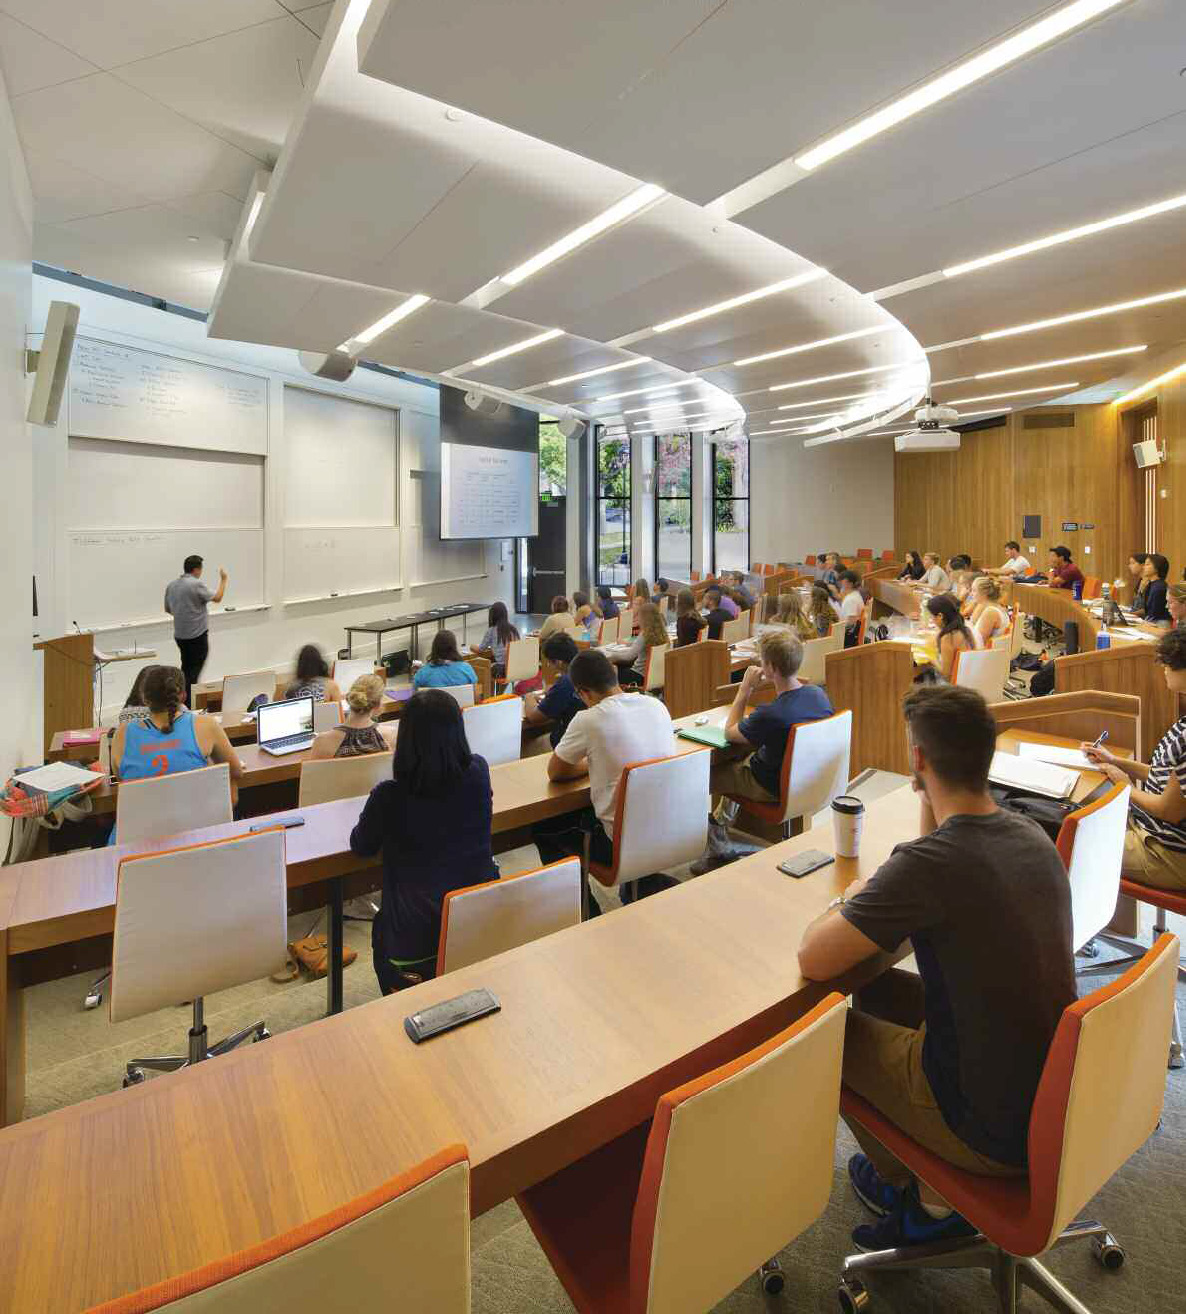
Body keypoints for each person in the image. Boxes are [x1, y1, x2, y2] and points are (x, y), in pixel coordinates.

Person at [798, 684, 1074, 1252]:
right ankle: (909, 1160)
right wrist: (929, 802)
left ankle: (923, 1201)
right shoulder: (1030, 835)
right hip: (1049, 1093)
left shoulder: (932, 867)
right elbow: (936, 853)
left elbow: (814, 956)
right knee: (873, 987)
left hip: (986, 1127)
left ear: (917, 760)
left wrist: (845, 901)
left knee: (821, 1037)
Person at [350, 689, 497, 992]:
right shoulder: (479, 771)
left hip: (416, 941)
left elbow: (361, 845)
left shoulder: (389, 795)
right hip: (478, 920)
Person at [532, 650, 675, 909]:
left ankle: (587, 912)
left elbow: (556, 772)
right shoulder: (656, 705)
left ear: (583, 692)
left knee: (544, 826)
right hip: (669, 829)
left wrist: (592, 763)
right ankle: (640, 884)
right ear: (615, 675)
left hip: (621, 844)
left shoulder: (590, 719)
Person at [699, 630, 834, 867]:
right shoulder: (818, 694)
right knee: (740, 757)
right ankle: (721, 824)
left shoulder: (770, 714)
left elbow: (729, 731)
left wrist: (744, 689)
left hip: (770, 786)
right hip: (809, 780)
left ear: (770, 668)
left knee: (703, 774)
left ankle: (714, 845)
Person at [1083, 627, 1186, 893]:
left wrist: (1124, 786)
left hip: (1168, 854)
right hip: (1154, 833)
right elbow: (1168, 776)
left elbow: (1170, 810)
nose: (1164, 668)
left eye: (1170, 664)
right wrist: (1116, 761)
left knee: (1068, 838)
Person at [109, 665, 243, 843]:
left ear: (144, 698)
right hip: (195, 838)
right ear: (183, 696)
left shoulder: (123, 734)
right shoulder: (206, 725)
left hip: (134, 844)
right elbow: (236, 771)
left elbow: (122, 778)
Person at [163, 554, 227, 704]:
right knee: (193, 674)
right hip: (196, 636)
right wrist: (224, 580)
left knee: (185, 669)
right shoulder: (195, 584)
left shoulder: (172, 585)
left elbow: (168, 609)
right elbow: (217, 598)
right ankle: (187, 706)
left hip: (180, 636)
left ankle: (178, 701)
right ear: (197, 569)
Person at [309, 674, 392, 760]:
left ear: (349, 698)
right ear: (378, 706)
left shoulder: (323, 742)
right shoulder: (390, 737)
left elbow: (312, 773)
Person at [523, 633, 585, 748]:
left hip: (567, 744)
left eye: (550, 662)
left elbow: (534, 717)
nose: (548, 665)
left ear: (559, 662)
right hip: (583, 738)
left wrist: (529, 696)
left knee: (526, 746)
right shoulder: (586, 669)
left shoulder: (566, 683)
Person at [611, 601, 668, 688]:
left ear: (644, 618)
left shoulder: (645, 634)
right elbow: (638, 645)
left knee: (609, 669)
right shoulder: (662, 633)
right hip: (650, 675)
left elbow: (628, 656)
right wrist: (628, 644)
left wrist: (612, 656)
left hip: (637, 676)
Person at [925, 593, 978, 681]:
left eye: (932, 617)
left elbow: (946, 675)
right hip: (970, 680)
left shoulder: (948, 637)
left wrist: (931, 658)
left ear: (940, 616)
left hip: (954, 687)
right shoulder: (966, 630)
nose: (932, 621)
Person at [412, 630, 477, 690]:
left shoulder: (423, 673)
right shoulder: (466, 668)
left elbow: (414, 693)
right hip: (462, 702)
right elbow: (475, 693)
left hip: (435, 702)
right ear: (454, 647)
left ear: (434, 648)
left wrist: (416, 675)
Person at [475, 601, 520, 677]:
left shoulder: (491, 630)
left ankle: (490, 689)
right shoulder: (513, 629)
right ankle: (500, 689)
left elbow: (480, 649)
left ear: (492, 615)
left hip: (502, 669)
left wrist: (471, 646)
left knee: (484, 669)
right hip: (515, 667)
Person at [968, 575, 1010, 646]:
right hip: (990, 651)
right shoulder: (995, 607)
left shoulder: (991, 612)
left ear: (984, 593)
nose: (971, 594)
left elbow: (979, 642)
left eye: (974, 590)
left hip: (987, 654)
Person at [1138, 552, 1171, 625]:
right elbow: (1147, 610)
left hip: (1160, 624)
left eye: (1147, 564)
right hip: (1151, 622)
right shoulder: (1151, 584)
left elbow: (1155, 614)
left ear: (1156, 568)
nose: (1143, 567)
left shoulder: (1159, 587)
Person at [837, 569, 865, 648]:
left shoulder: (851, 599)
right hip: (847, 632)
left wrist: (837, 631)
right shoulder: (854, 595)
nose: (841, 586)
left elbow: (851, 622)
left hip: (847, 637)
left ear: (850, 584)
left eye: (842, 583)